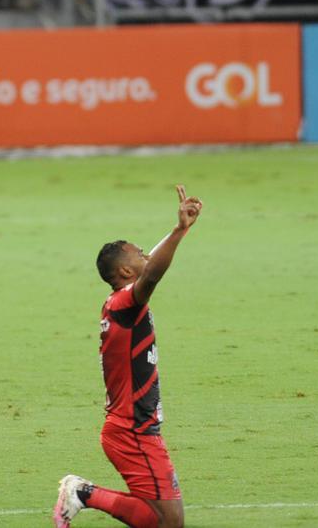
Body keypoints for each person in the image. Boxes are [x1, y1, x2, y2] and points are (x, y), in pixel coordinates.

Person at [53, 185, 204, 528]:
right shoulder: (126, 303)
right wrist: (180, 231)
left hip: (127, 428)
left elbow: (146, 268)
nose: (146, 255)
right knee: (170, 523)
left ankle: (83, 493)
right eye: (139, 252)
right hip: (133, 430)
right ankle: (82, 493)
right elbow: (151, 273)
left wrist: (177, 231)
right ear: (124, 273)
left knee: (162, 520)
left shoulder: (119, 304)